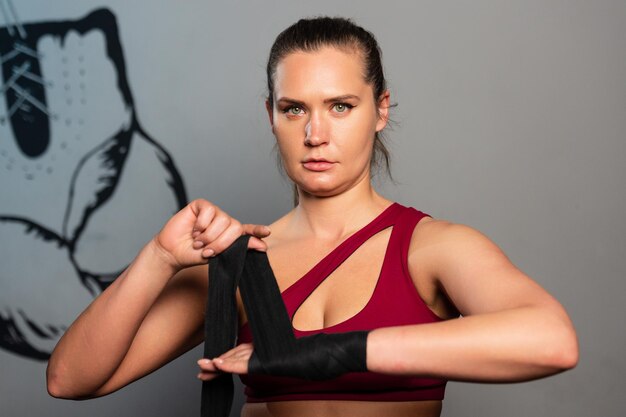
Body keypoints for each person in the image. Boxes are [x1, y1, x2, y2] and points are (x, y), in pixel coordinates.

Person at [46, 17, 578, 417]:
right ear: (271, 114)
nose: (315, 134)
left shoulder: (431, 248)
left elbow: (552, 340)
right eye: (294, 108)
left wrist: (336, 351)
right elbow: (70, 380)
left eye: (341, 106)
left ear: (382, 108)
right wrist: (160, 258)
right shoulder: (241, 261)